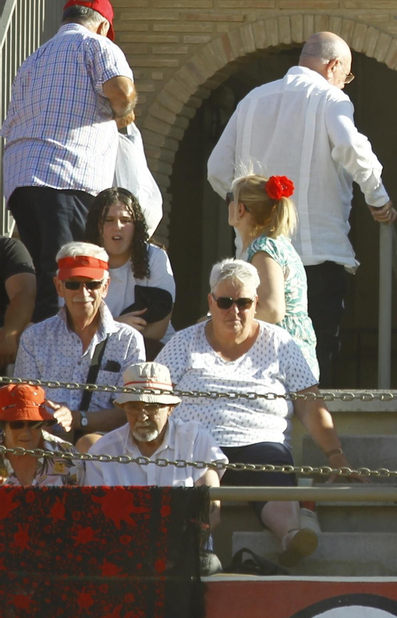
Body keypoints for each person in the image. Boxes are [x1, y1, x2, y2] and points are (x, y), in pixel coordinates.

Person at [208, 32, 395, 376]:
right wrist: (378, 199)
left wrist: (245, 209)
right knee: (316, 355)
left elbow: (218, 169)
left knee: (255, 354)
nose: (345, 84)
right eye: (347, 76)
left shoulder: (252, 100)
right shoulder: (330, 98)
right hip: (316, 254)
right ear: (334, 65)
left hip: (253, 256)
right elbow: (353, 150)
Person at [156, 260, 354, 566]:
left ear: (256, 303)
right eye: (224, 302)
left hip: (261, 441)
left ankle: (290, 537)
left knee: (273, 473)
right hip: (199, 444)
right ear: (211, 301)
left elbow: (309, 402)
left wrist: (335, 454)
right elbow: (156, 395)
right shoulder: (184, 341)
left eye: (243, 303)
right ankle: (201, 545)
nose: (233, 311)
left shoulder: (280, 343)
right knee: (203, 470)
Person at [2, 0, 135, 319]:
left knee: (46, 278)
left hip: (21, 180)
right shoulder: (97, 45)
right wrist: (124, 111)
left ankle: (37, 360)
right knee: (68, 277)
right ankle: (54, 365)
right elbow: (121, 91)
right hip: (67, 176)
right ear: (102, 25)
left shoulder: (34, 57)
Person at [85, 362, 226, 564]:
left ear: (170, 408)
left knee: (209, 565)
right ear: (124, 408)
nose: (142, 416)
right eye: (134, 407)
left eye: (151, 406)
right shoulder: (102, 453)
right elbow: (98, 520)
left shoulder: (196, 440)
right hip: (124, 556)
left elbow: (212, 511)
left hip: (186, 554)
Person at [15, 243, 146, 439]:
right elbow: (22, 402)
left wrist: (77, 419)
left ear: (105, 287)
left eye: (92, 284)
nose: (83, 293)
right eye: (73, 284)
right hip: (43, 440)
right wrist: (46, 430)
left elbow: (130, 412)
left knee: (90, 444)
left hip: (102, 444)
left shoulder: (128, 340)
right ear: (59, 287)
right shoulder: (34, 338)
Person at [227, 174, 317, 375]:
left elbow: (271, 309)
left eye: (229, 198)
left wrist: (220, 320)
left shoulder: (263, 248)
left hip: (280, 360)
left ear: (240, 209)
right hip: (285, 357)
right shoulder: (275, 245)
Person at [87, 186, 175, 349]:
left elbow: (158, 329)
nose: (118, 226)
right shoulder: (82, 260)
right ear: (97, 225)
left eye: (126, 220)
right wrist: (115, 325)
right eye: (109, 220)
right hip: (95, 350)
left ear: (136, 226)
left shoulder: (155, 258)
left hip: (151, 350)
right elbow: (73, 327)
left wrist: (107, 329)